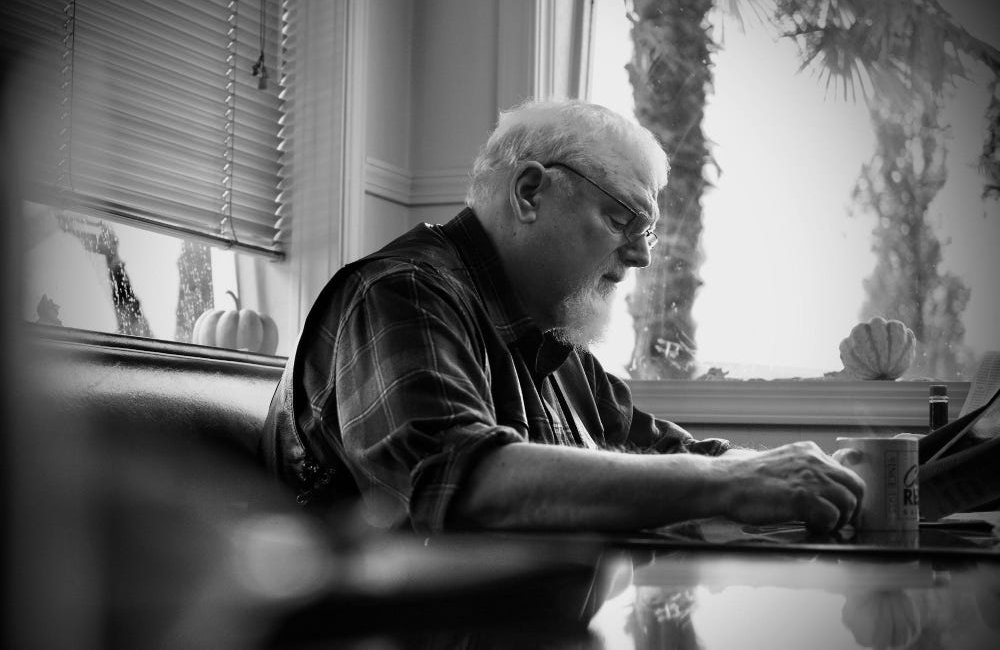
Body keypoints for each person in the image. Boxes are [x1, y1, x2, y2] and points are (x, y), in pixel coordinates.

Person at [262, 99, 864, 534]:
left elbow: (669, 453)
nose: (642, 256)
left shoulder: (551, 343)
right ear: (529, 192)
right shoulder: (403, 294)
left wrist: (808, 477)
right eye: (623, 220)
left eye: (647, 232)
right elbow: (461, 482)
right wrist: (738, 485)